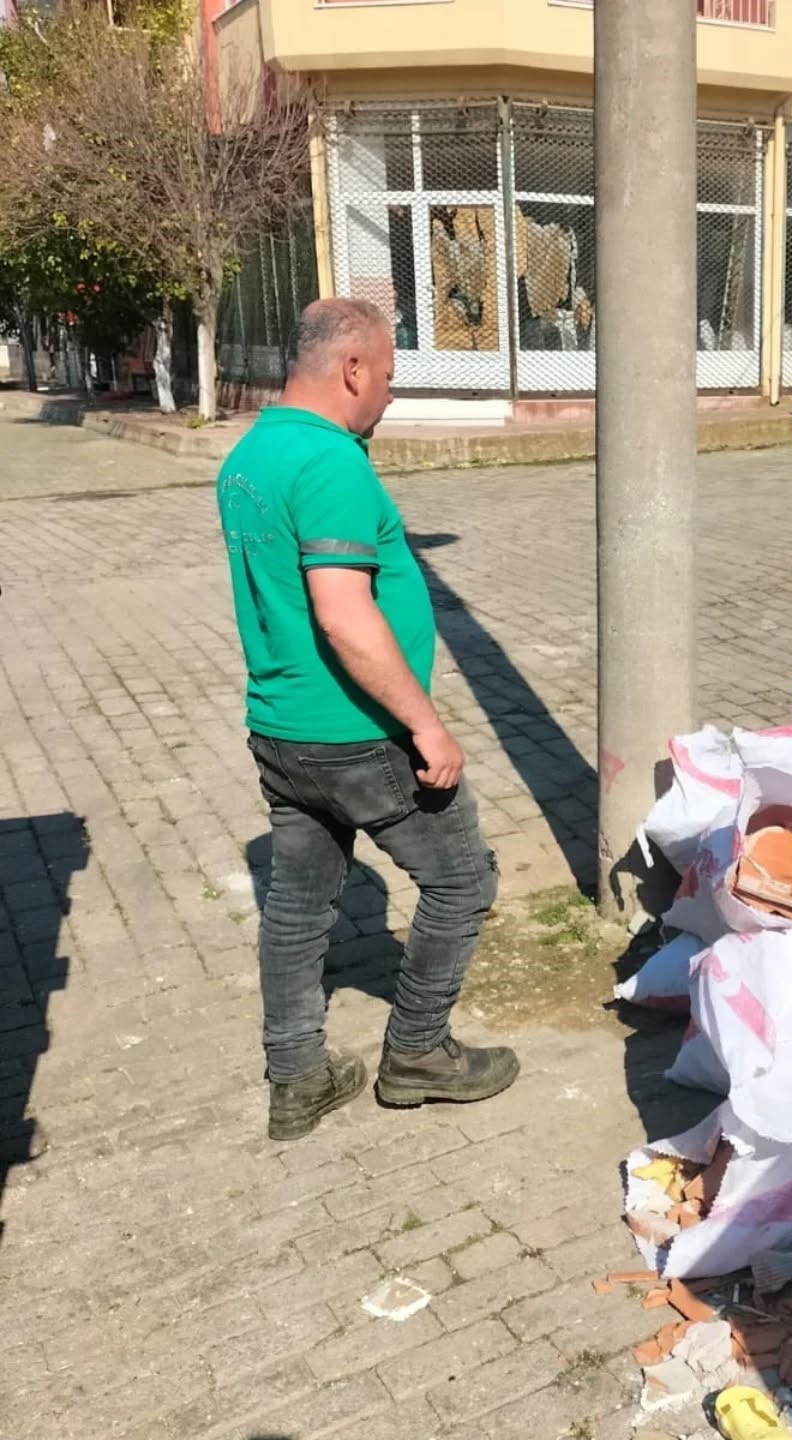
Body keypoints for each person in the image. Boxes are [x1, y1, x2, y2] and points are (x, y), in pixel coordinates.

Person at [216, 297, 518, 1141]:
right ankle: (417, 1054)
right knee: (462, 881)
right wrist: (426, 725)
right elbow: (344, 613)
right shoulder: (331, 463)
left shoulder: (249, 455)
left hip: (281, 730)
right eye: (386, 376)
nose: (388, 395)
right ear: (352, 369)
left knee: (298, 905)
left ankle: (297, 1079)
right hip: (357, 735)